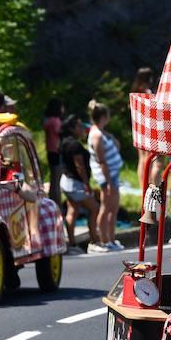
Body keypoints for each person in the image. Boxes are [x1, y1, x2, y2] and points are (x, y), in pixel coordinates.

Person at [57, 115, 100, 252]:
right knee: (94, 209)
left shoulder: (65, 142)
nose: (82, 128)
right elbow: (79, 166)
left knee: (73, 211)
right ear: (72, 128)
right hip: (75, 183)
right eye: (79, 126)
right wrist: (86, 184)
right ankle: (94, 242)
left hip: (67, 182)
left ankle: (72, 244)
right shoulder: (74, 145)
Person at [88, 100, 123, 251]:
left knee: (113, 209)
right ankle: (104, 240)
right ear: (103, 117)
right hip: (107, 177)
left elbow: (117, 145)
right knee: (106, 208)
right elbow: (101, 160)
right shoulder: (96, 136)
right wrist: (108, 182)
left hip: (113, 174)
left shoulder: (101, 133)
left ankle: (112, 239)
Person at [42, 98, 64, 207]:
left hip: (50, 151)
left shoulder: (47, 120)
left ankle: (51, 202)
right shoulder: (56, 121)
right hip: (56, 151)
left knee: (53, 179)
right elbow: (59, 133)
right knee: (57, 181)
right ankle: (57, 204)